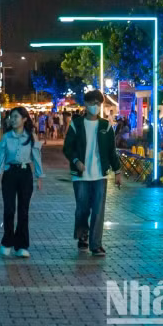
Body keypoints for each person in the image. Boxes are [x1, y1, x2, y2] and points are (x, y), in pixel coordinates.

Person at [62, 90, 122, 257]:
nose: (95, 106)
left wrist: (117, 171)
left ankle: (96, 244)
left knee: (98, 210)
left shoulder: (106, 126)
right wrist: (76, 161)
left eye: (98, 103)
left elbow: (112, 151)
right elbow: (67, 148)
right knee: (82, 209)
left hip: (100, 175)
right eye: (92, 103)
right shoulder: (77, 124)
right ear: (86, 104)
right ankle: (82, 236)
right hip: (80, 175)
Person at [0, 107, 44, 258]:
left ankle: (22, 245)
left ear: (24, 119)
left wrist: (39, 176)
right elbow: (1, 158)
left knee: (23, 210)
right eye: (11, 117)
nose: (13, 119)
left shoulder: (31, 137)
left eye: (16, 117)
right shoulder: (6, 137)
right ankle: (7, 241)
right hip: (9, 174)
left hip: (25, 174)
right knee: (9, 209)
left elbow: (36, 157)